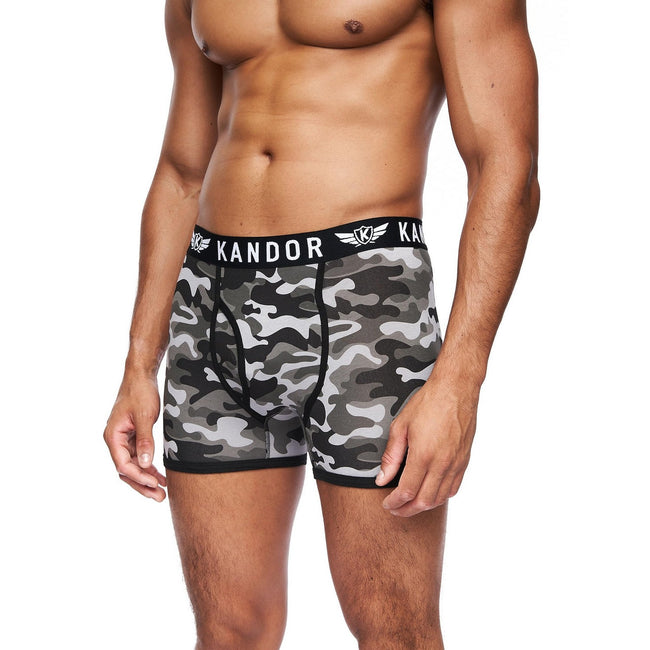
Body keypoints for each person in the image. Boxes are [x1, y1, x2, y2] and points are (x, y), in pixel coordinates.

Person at [104, 0, 539, 647]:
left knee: (394, 632)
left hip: (364, 303)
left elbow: (505, 163)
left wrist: (459, 381)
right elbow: (182, 171)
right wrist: (140, 363)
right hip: (211, 304)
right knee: (229, 632)